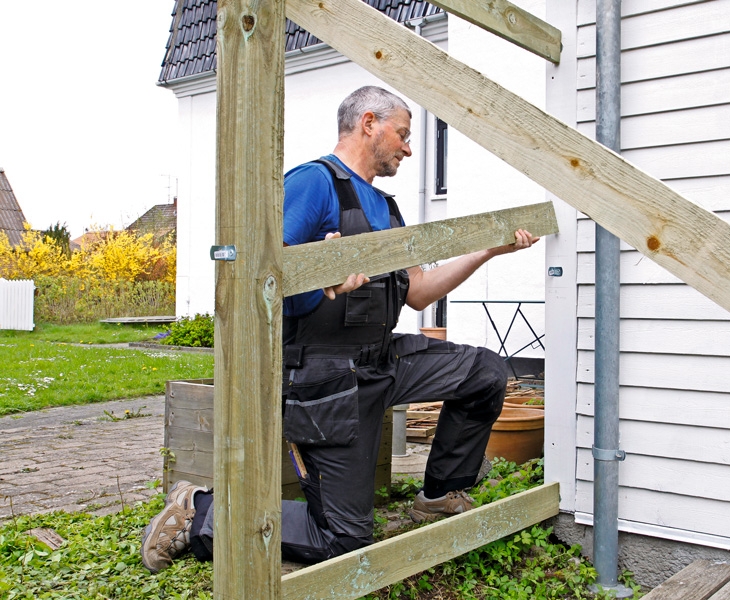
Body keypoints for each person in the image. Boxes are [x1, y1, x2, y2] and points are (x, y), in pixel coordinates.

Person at [140, 86, 539, 573]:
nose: (409, 148)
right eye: (404, 134)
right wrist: (318, 281)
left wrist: (488, 251)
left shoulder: (387, 208)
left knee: (484, 372)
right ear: (368, 122)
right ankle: (200, 512)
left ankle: (438, 494)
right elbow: (258, 280)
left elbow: (417, 292)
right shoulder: (313, 183)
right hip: (324, 376)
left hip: (381, 359)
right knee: (344, 539)